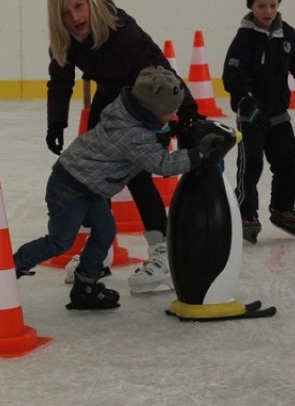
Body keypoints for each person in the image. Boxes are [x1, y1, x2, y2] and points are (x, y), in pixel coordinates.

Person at [44, 0, 204, 295]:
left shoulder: (119, 27)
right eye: (65, 13)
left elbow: (157, 64)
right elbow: (60, 81)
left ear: (88, 3)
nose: (75, 18)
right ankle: (98, 252)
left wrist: (186, 110)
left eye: (78, 7)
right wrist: (55, 123)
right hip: (111, 99)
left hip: (146, 100)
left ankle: (164, 253)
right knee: (92, 173)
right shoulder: (64, 41)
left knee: (138, 174)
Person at [15, 67, 222, 310]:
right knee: (60, 241)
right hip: (69, 187)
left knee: (105, 230)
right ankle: (9, 270)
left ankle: (86, 284)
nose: (174, 114)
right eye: (170, 111)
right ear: (153, 110)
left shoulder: (126, 111)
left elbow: (152, 129)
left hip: (89, 188)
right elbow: (162, 164)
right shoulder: (132, 135)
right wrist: (198, 154)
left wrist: (172, 129)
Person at [222, 0, 295, 244]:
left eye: (273, 5)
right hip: (251, 115)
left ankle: (283, 207)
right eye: (262, 6)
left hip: (278, 114)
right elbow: (232, 74)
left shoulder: (287, 34)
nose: (268, 11)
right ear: (252, 6)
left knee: (289, 163)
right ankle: (246, 212)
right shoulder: (244, 38)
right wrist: (246, 102)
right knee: (250, 165)